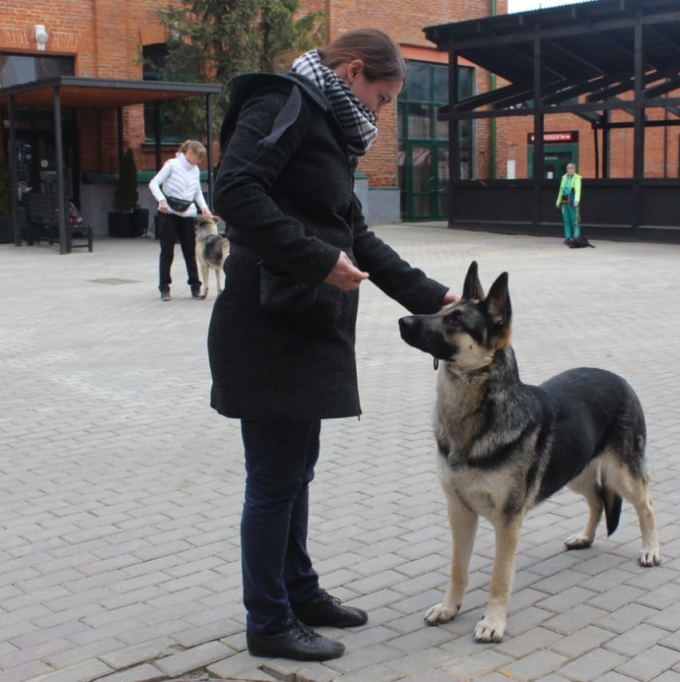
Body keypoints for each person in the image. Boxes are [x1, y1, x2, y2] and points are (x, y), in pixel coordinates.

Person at [208, 29, 459, 662]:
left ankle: (299, 591)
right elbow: (233, 191)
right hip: (268, 326)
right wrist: (319, 260)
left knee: (296, 471)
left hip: (304, 325)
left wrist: (435, 299)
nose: (380, 112)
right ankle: (268, 621)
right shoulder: (283, 105)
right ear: (351, 72)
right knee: (273, 480)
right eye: (381, 96)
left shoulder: (325, 127)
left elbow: (357, 236)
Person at [148, 140, 213, 301]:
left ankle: (195, 286)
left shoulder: (195, 170)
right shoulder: (172, 164)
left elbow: (197, 191)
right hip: (169, 212)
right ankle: (164, 287)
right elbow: (154, 183)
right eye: (198, 158)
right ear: (189, 153)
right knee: (167, 251)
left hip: (187, 213)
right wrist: (162, 200)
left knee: (190, 251)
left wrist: (204, 207)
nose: (199, 162)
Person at [555, 162, 582, 247]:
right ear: (566, 170)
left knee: (575, 220)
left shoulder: (577, 178)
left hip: (572, 200)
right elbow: (561, 190)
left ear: (575, 169)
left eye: (572, 168)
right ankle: (568, 237)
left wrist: (576, 200)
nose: (570, 170)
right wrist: (558, 201)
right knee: (566, 220)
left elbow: (578, 190)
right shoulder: (564, 177)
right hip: (564, 200)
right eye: (569, 169)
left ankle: (576, 236)